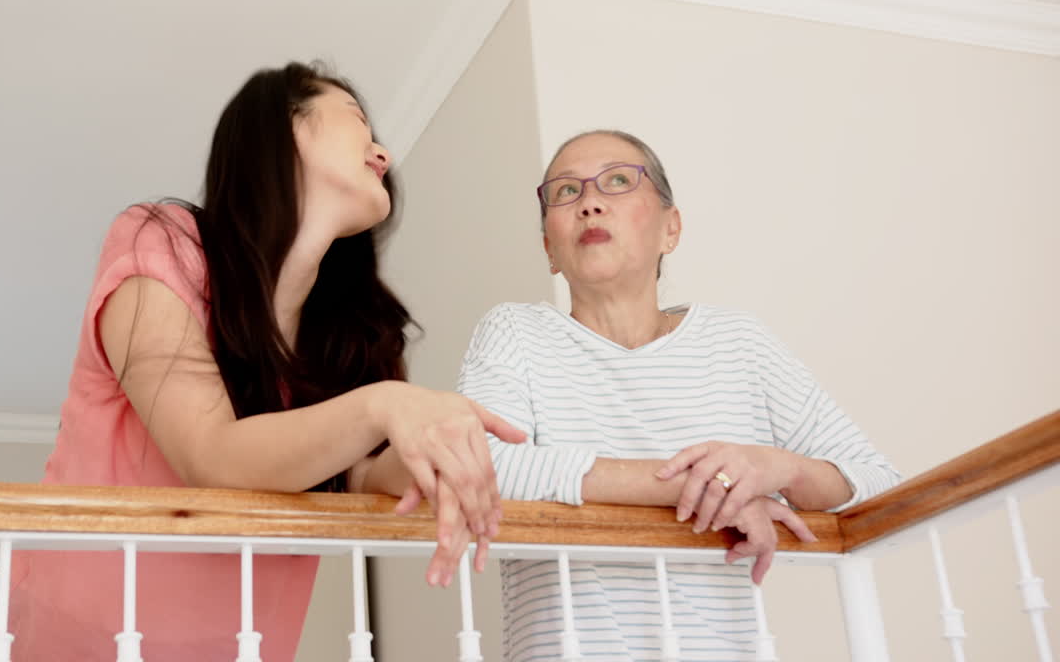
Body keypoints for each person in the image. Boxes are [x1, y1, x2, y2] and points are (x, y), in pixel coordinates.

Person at [0, 62, 525, 662]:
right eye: (356, 119)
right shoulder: (162, 241)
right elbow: (212, 454)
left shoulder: (348, 338)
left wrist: (428, 463)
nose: (382, 149)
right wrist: (387, 407)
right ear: (285, 129)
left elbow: (352, 478)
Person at [362, 129, 900, 661]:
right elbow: (477, 466)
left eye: (618, 182)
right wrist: (699, 485)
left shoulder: (740, 343)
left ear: (672, 229)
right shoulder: (516, 333)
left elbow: (880, 486)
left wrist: (777, 470)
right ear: (549, 248)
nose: (591, 203)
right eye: (567, 192)